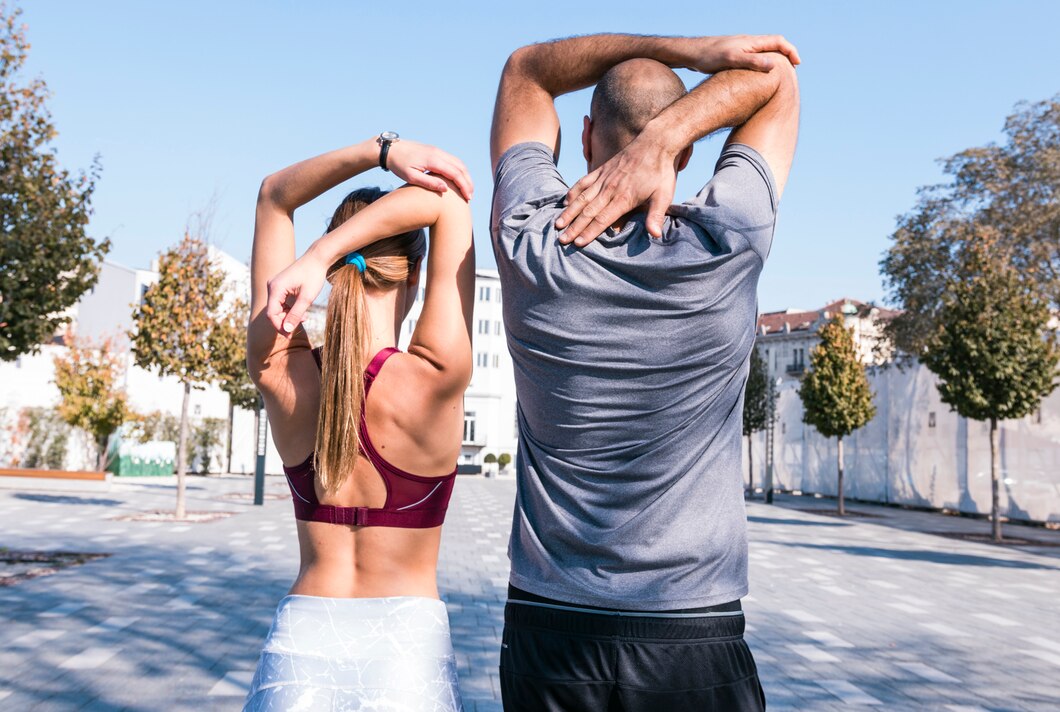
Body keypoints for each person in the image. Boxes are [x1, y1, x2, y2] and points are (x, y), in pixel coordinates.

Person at [489, 33, 801, 710]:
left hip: (552, 629)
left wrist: (678, 49)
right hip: (692, 631)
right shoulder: (727, 242)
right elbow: (776, 74)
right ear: (687, 152)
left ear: (583, 136)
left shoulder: (531, 241)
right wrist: (668, 132)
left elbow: (525, 73)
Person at [243, 134, 475, 711]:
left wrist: (380, 149)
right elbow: (448, 202)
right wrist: (326, 253)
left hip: (300, 650)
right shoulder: (435, 376)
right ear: (415, 274)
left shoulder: (282, 369)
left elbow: (274, 196)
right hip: (406, 656)